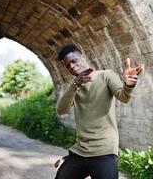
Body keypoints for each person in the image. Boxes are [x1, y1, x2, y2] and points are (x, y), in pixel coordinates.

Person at [54, 43, 143, 179]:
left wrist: (129, 85)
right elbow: (61, 110)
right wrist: (75, 85)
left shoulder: (106, 76)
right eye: (67, 65)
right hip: (80, 151)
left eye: (74, 61)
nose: (71, 66)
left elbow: (123, 97)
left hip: (104, 150)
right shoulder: (74, 86)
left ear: (83, 57)